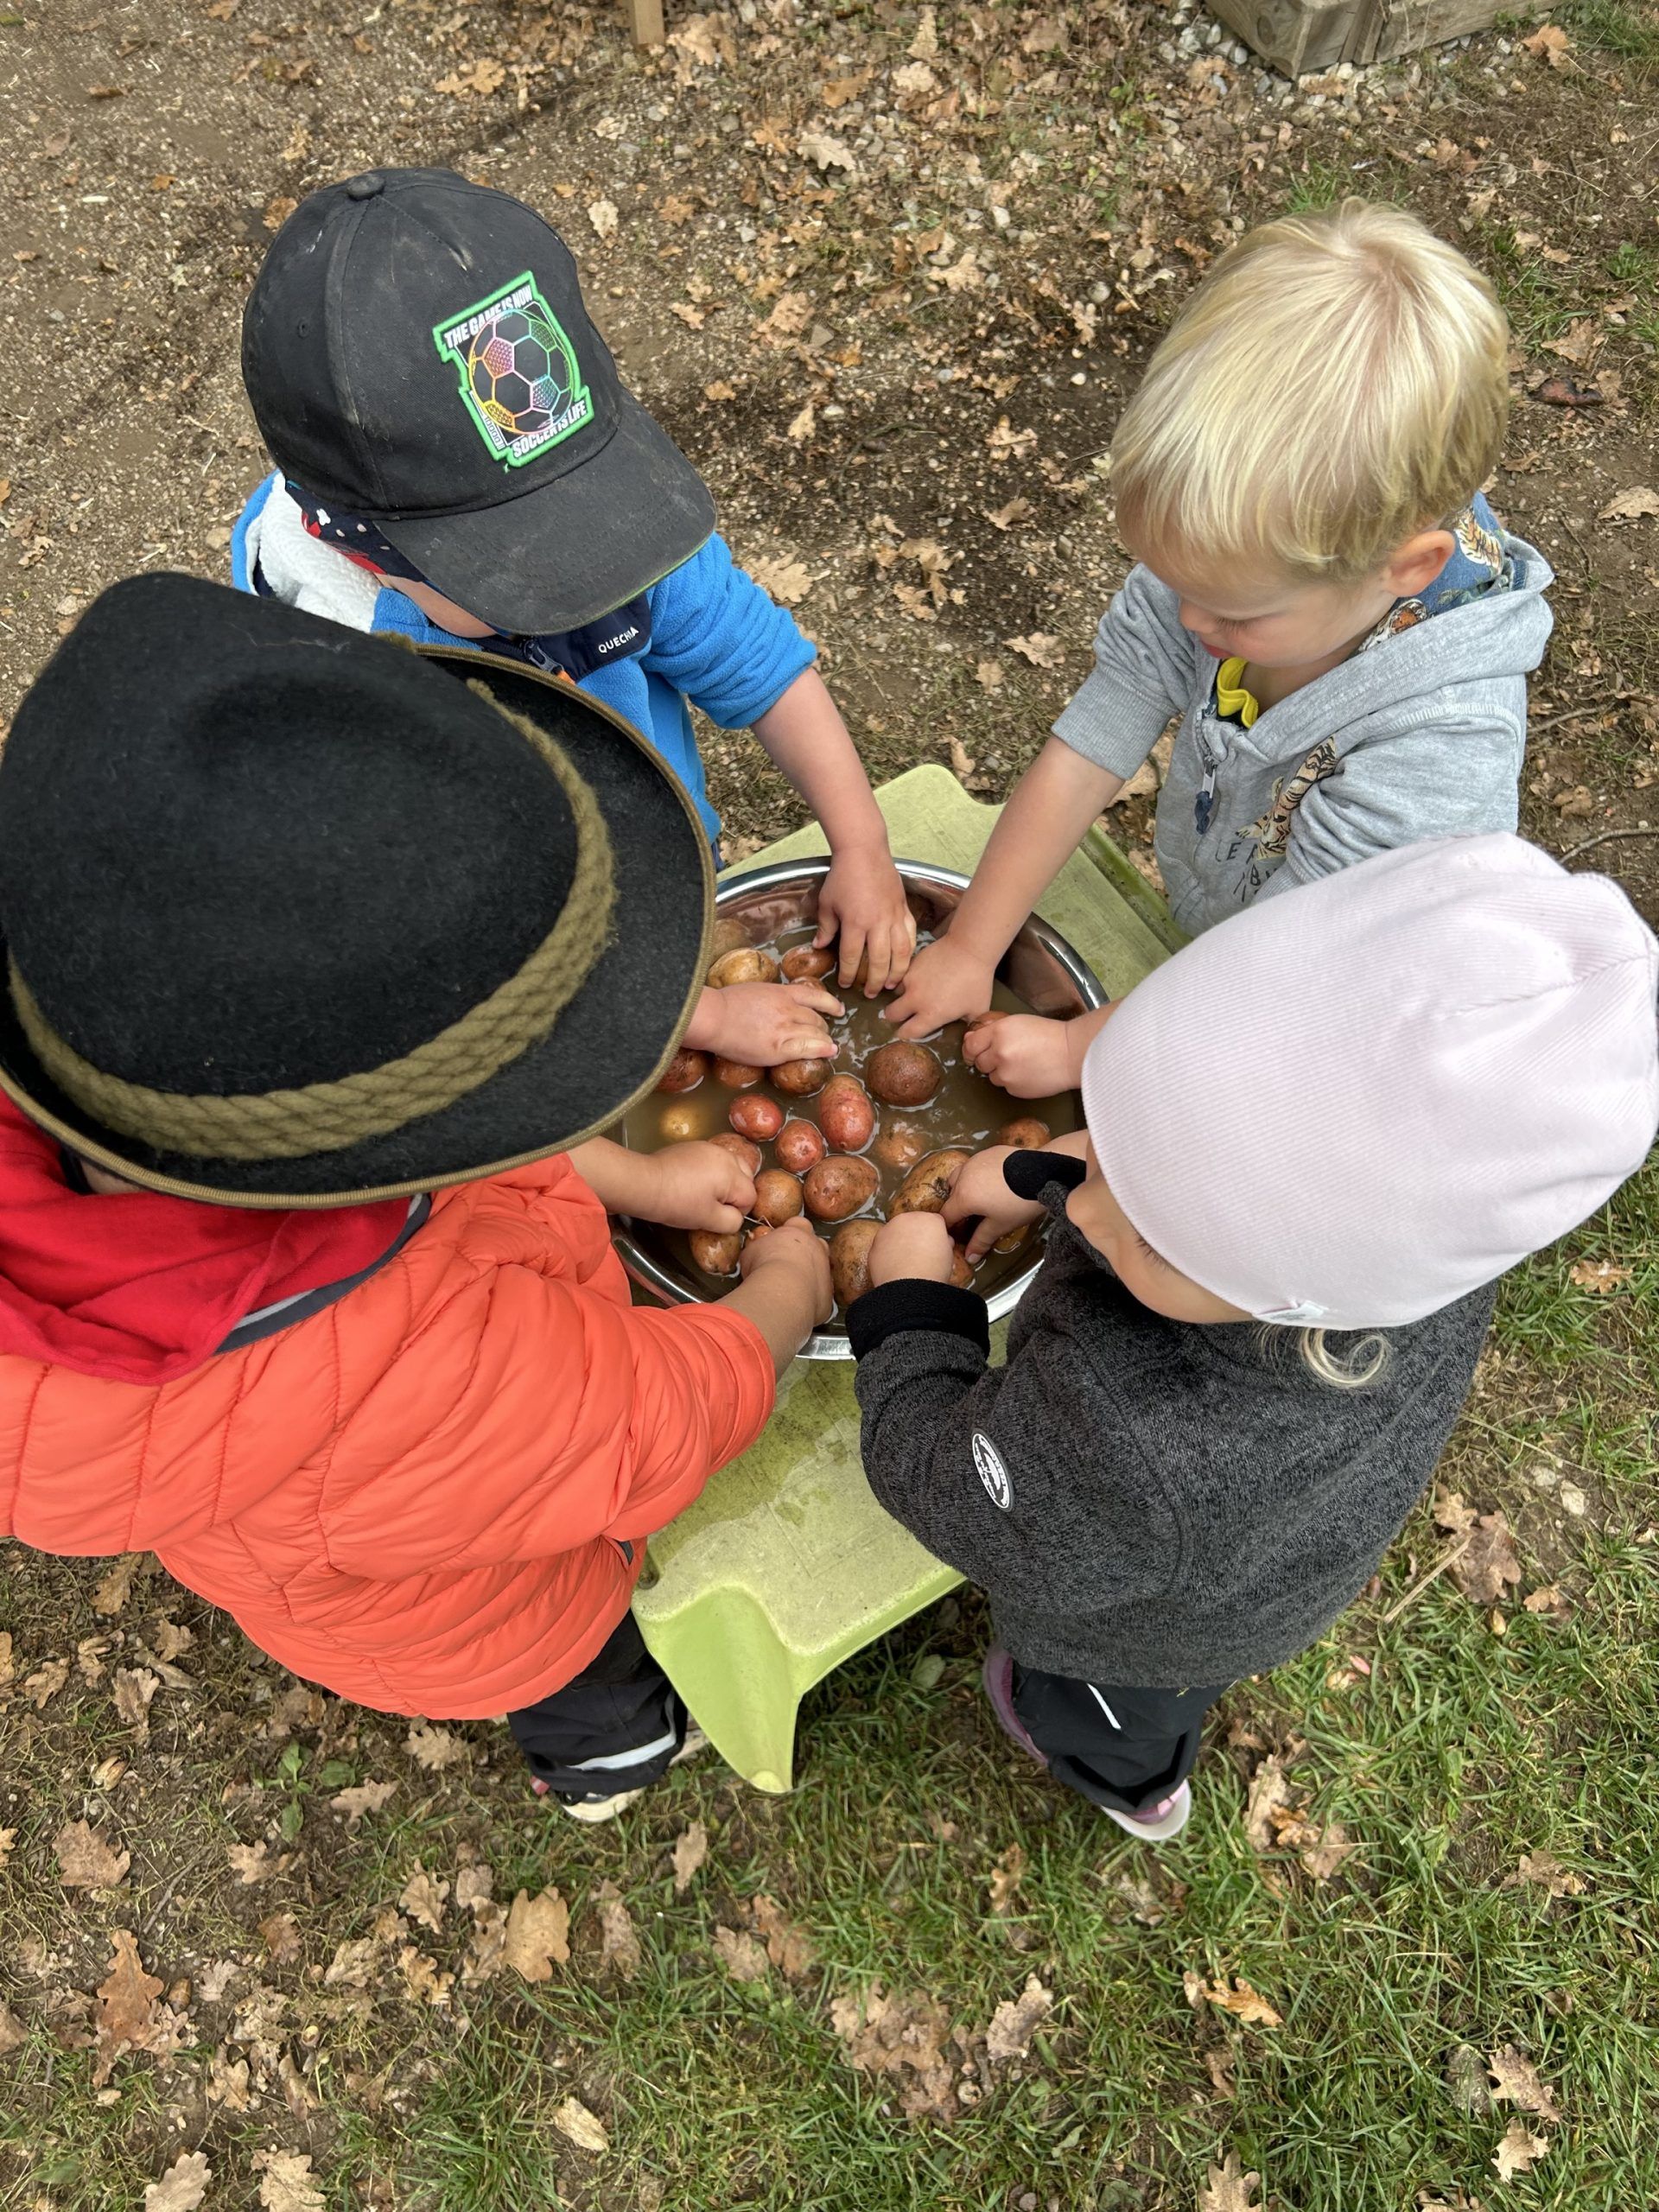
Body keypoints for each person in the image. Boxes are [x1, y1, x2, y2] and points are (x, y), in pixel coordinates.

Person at [0, 575, 832, 1821]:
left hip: (331, 1538)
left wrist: (644, 1177)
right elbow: (655, 1425)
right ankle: (606, 1753)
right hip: (481, 1612)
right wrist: (785, 1290)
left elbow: (468, 1160)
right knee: (574, 1672)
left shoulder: (126, 1044)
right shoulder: (429, 1371)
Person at [849, 835, 1657, 1840]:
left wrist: (914, 1316)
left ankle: (1134, 1781)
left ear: (1288, 1291)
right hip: (1242, 1541)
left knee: (1097, 1702)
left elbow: (955, 1489)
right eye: (1118, 1135)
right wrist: (1043, 1174)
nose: (1089, 1215)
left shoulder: (1134, 1443)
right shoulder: (1413, 1242)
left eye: (1146, 1225)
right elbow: (1209, 1146)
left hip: (1164, 1631)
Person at [232, 166, 913, 1076]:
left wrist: (860, 839)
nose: (587, 573)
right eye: (523, 563)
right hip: (534, 965)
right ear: (371, 550)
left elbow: (753, 656)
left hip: (661, 868)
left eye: (583, 521)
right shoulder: (360, 685)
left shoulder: (614, 524)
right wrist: (700, 1019)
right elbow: (471, 938)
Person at [887, 200, 1554, 1096]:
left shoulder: (1438, 750)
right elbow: (1091, 748)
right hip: (1242, 931)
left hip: (1344, 1005)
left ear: (1410, 567)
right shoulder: (1240, 572)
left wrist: (1087, 1050)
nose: (1192, 623)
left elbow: (1286, 967)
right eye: (1174, 585)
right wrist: (974, 940)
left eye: (1234, 615)